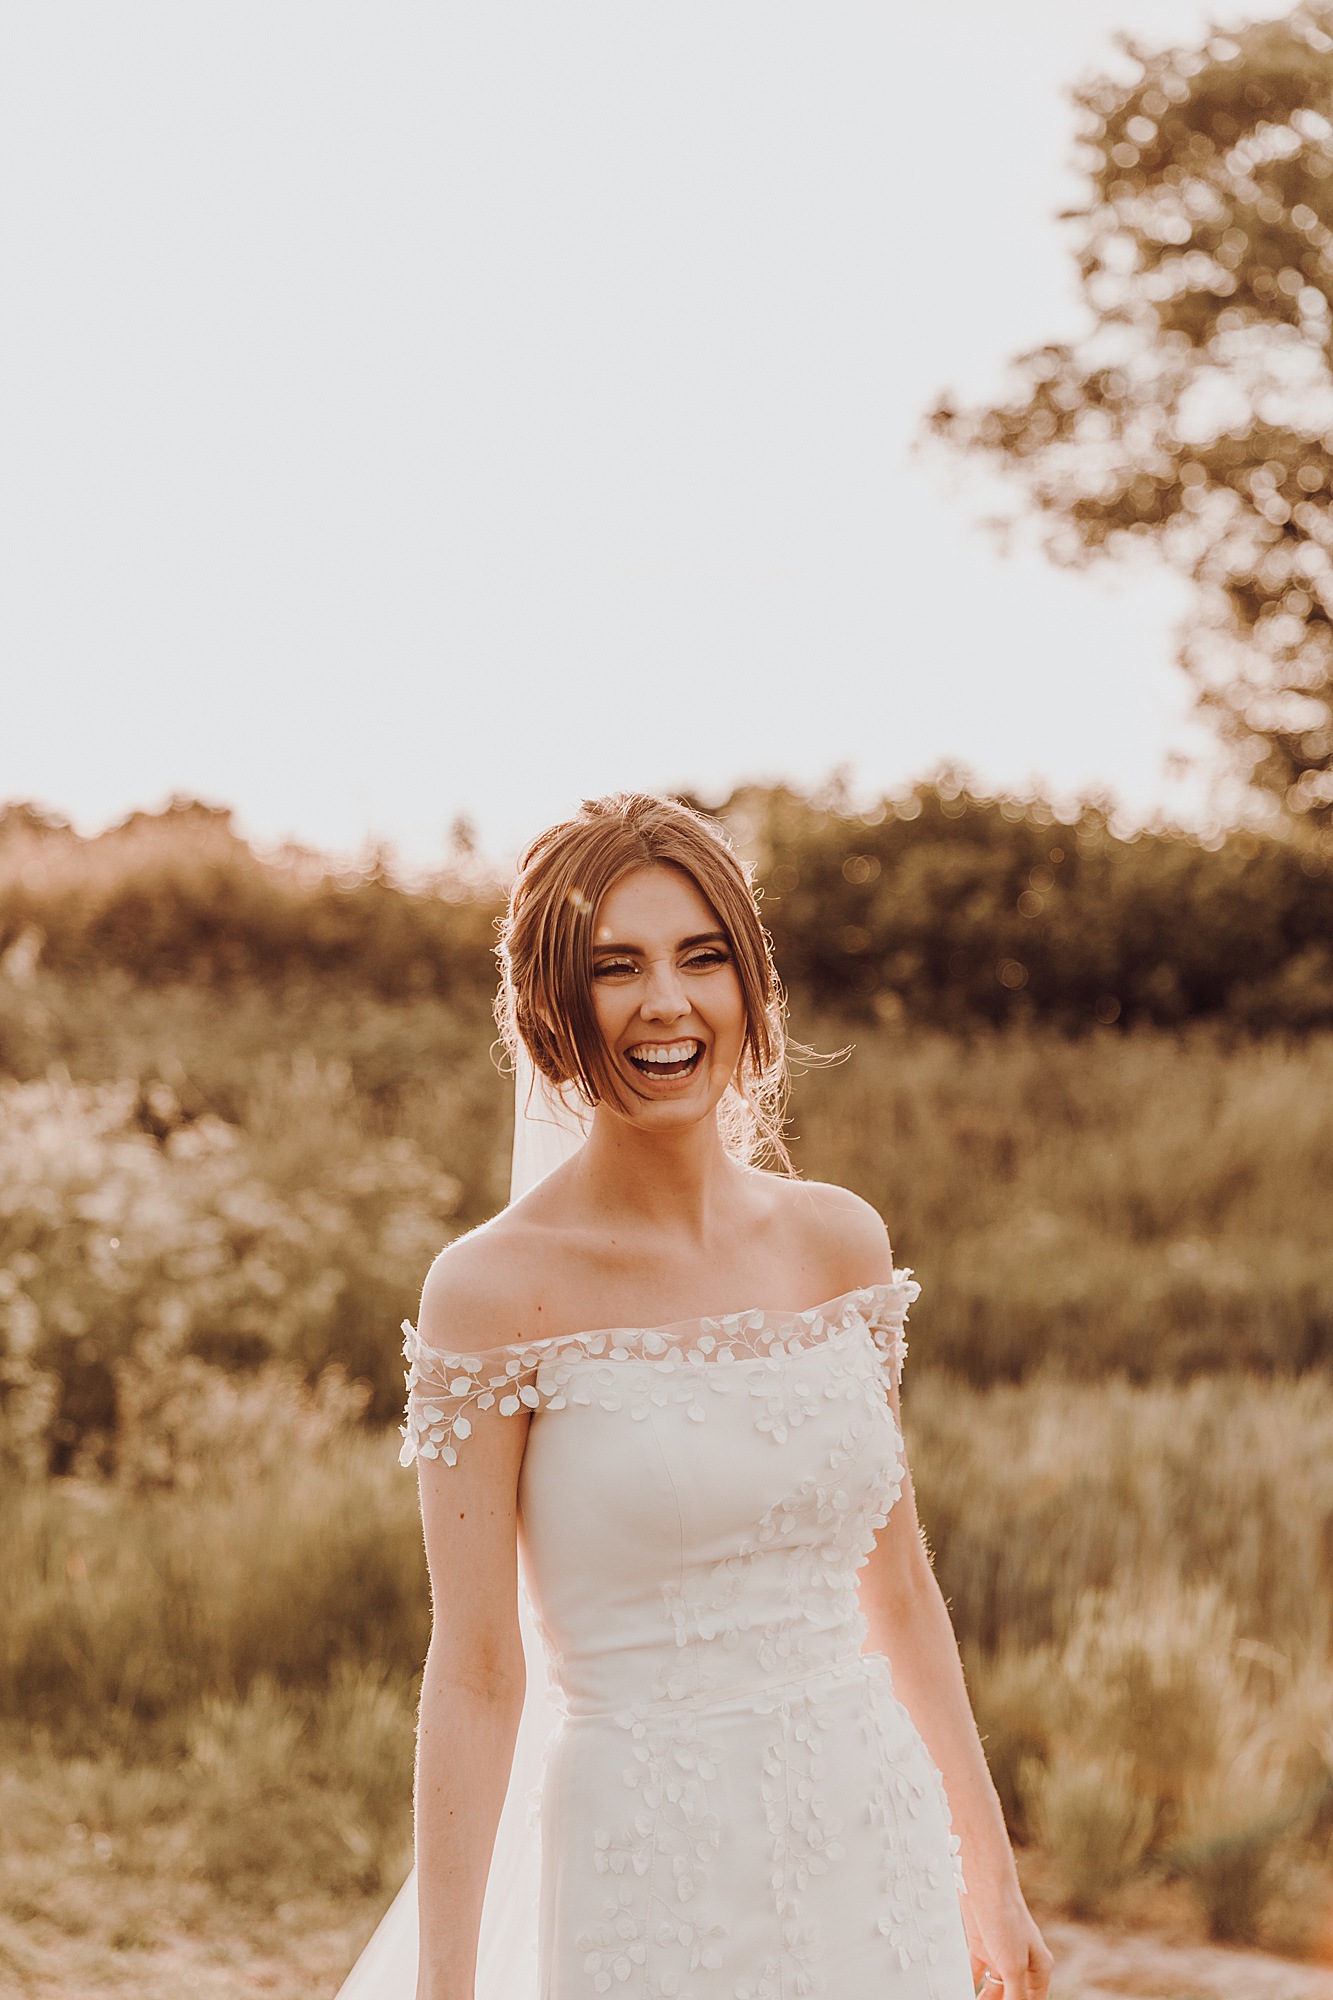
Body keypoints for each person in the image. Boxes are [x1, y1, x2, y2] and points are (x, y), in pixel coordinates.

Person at [388, 793, 1052, 2000]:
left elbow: (897, 1588)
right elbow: (478, 1671)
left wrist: (987, 1873)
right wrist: (446, 1986)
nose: (667, 1002)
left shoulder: (838, 1242)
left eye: (703, 957)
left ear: (751, 986)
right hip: (650, 1868)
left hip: (871, 1840)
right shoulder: (489, 1291)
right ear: (548, 1008)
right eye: (615, 966)